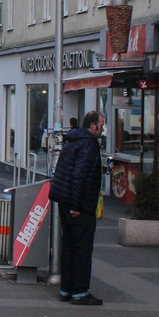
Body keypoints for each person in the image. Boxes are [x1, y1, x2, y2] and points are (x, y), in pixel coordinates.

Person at [50, 111, 106, 305]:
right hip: (79, 204)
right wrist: (76, 205)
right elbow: (79, 176)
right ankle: (80, 291)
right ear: (93, 126)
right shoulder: (88, 144)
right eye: (101, 125)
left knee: (69, 246)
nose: (103, 129)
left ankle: (67, 288)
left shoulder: (73, 141)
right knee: (81, 248)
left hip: (65, 200)